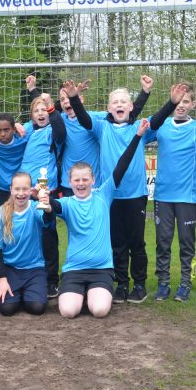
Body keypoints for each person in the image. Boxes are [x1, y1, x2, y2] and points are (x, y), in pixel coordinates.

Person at [39, 117, 150, 319]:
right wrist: (44, 202)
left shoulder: (103, 195)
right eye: (76, 180)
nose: (81, 184)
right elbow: (50, 207)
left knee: (99, 310)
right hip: (74, 269)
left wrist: (137, 136)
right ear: (70, 182)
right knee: (67, 312)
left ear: (93, 180)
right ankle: (78, 293)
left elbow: (122, 164)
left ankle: (93, 293)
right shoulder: (67, 203)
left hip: (101, 270)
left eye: (85, 179)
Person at [65, 79, 153, 304]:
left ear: (131, 106)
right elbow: (84, 118)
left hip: (135, 195)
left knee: (136, 242)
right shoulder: (102, 126)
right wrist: (74, 98)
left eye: (124, 101)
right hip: (110, 197)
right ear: (108, 108)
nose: (119, 104)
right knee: (117, 242)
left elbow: (160, 117)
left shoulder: (138, 127)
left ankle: (140, 284)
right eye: (115, 102)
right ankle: (121, 284)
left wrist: (149, 94)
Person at [144, 82, 196, 302]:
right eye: (179, 101)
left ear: (193, 104)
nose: (181, 106)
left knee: (187, 242)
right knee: (163, 241)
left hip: (187, 197)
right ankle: (163, 283)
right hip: (163, 196)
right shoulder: (161, 126)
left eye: (186, 101)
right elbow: (138, 136)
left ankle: (185, 283)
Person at [26, 74, 152, 198]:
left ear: (80, 99)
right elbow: (43, 109)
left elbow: (127, 113)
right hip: (68, 183)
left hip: (93, 183)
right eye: (63, 99)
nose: (66, 102)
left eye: (70, 98)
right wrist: (32, 90)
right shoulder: (60, 120)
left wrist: (145, 92)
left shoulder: (97, 119)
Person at [20, 94, 66, 298]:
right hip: (24, 190)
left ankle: (51, 280)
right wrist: (15, 125)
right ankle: (27, 276)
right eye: (36, 111)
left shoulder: (53, 131)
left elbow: (60, 129)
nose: (41, 113)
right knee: (28, 234)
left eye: (44, 110)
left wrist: (49, 107)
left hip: (45, 188)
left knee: (47, 233)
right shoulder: (29, 129)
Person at [0, 172, 50, 316]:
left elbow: (48, 220)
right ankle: (14, 293)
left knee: (37, 308)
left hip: (34, 268)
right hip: (10, 269)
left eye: (25, 189)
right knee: (6, 310)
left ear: (31, 190)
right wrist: (2, 280)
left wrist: (46, 203)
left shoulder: (36, 208)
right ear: (11, 189)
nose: (21, 193)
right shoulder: (0, 214)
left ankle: (28, 293)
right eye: (17, 189)